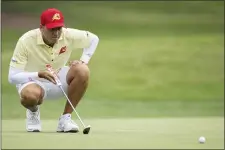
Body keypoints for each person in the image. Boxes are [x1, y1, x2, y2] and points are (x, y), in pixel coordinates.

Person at [8, 8, 99, 133]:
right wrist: (39, 74)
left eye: (59, 28)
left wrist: (83, 60)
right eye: (52, 29)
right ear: (41, 27)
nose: (56, 33)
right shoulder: (26, 41)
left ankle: (65, 119)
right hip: (32, 81)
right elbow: (12, 77)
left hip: (58, 78)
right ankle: (33, 112)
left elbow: (94, 39)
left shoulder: (67, 35)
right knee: (29, 96)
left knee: (82, 70)